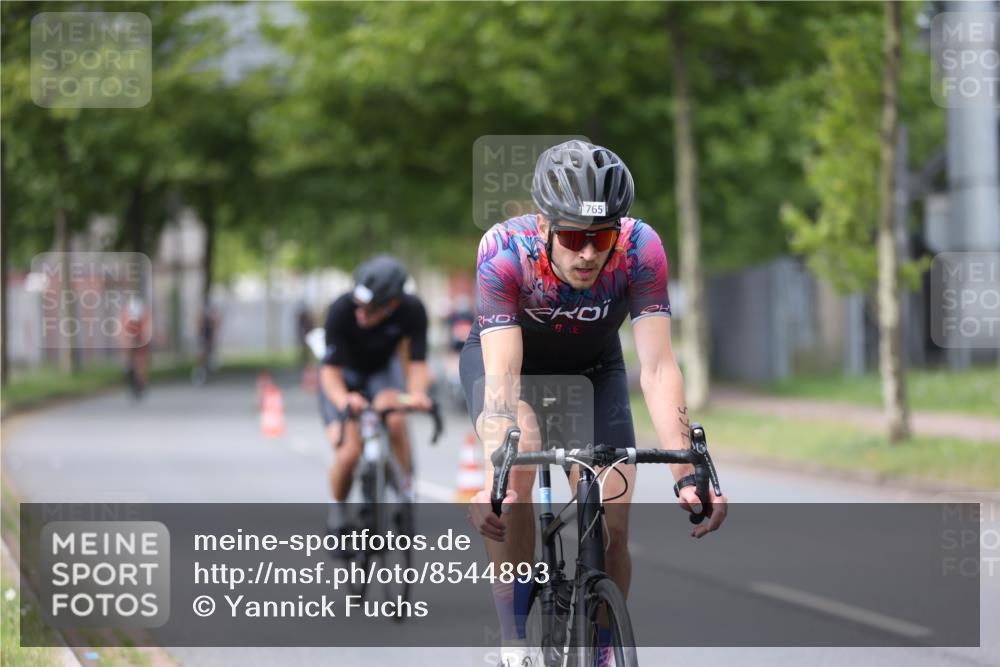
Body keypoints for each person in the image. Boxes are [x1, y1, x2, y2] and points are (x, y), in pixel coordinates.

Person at [461, 140, 729, 666]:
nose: (588, 254)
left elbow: (656, 366)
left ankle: (603, 651)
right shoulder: (503, 251)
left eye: (601, 236)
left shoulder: (640, 249)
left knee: (614, 524)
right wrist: (496, 469)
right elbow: (503, 376)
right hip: (512, 366)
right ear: (543, 226)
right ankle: (514, 643)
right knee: (519, 461)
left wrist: (686, 472)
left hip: (595, 370)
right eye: (573, 237)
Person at [318, 255, 433, 539]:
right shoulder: (341, 309)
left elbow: (418, 365)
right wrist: (345, 399)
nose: (360, 314)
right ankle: (338, 515)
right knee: (348, 453)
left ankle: (405, 496)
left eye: (369, 310)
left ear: (392, 304)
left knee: (395, 419)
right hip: (344, 376)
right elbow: (329, 373)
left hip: (382, 372)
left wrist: (417, 394)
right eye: (358, 306)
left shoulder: (412, 310)